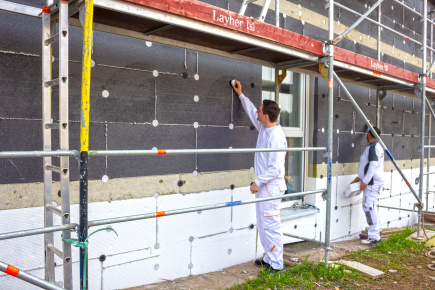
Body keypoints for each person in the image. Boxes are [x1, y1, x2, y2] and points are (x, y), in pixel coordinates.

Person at [231, 79, 287, 272]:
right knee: (263, 224)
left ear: (266, 115)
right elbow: (250, 110)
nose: (257, 111)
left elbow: (276, 169)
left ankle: (277, 264)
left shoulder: (276, 137)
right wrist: (240, 94)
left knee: (271, 225)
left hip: (271, 188)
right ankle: (268, 258)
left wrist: (257, 181)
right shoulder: (265, 126)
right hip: (265, 187)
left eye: (260, 110)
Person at [357, 125, 384, 245]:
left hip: (371, 183)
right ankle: (376, 231)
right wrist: (370, 125)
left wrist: (365, 181)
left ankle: (374, 236)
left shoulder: (372, 147)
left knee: (369, 207)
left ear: (368, 135)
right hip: (373, 181)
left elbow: (373, 164)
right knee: (371, 206)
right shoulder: (378, 146)